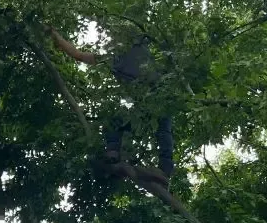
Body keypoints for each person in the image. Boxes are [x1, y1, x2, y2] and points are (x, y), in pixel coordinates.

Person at [49, 29, 174, 185]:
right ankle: (115, 155)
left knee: (160, 128)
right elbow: (78, 55)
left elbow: (78, 55)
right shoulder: (115, 57)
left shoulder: (136, 46)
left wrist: (55, 36)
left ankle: (162, 170)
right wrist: (55, 35)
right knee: (116, 120)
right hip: (145, 105)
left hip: (159, 97)